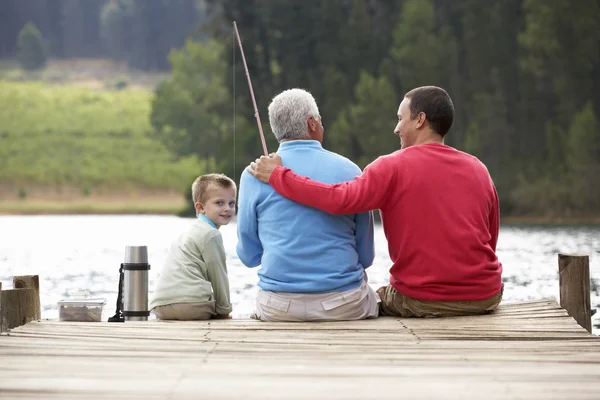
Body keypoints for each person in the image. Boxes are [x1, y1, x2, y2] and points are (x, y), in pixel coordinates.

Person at [248, 86, 503, 318]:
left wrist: (278, 176)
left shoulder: (392, 167)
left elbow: (340, 199)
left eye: (400, 119)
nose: (396, 128)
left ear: (420, 120)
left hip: (422, 300)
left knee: (377, 297)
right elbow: (490, 238)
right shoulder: (478, 168)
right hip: (486, 297)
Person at [236, 88, 380, 322]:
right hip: (343, 305)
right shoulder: (351, 170)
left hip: (278, 307)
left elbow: (249, 256)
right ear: (312, 123)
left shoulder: (253, 174)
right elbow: (366, 257)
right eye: (320, 120)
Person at [149, 173, 236, 320]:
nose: (227, 208)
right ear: (200, 207)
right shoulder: (211, 234)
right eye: (219, 203)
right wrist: (224, 311)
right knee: (212, 304)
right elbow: (218, 275)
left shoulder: (187, 233)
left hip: (160, 306)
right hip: (191, 305)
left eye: (232, 203)